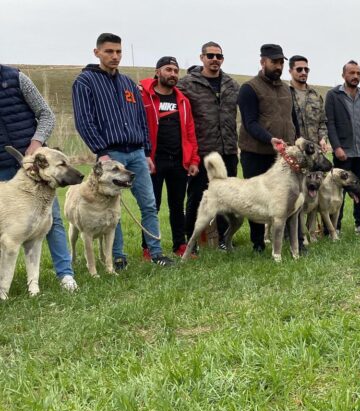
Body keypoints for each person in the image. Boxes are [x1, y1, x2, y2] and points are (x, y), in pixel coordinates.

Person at [72, 32, 174, 270]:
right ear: (97, 52)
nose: (115, 56)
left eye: (118, 51)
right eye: (109, 51)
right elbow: (84, 121)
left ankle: (156, 252)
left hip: (136, 152)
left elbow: (141, 119)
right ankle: (117, 257)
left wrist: (146, 151)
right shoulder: (85, 82)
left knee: (149, 203)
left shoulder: (128, 83)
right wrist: (101, 151)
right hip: (111, 154)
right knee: (112, 207)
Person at [0, 64, 78, 290]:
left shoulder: (17, 78)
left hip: (35, 166)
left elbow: (46, 114)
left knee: (51, 221)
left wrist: (36, 144)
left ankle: (65, 274)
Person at [237, 43, 300, 253]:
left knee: (289, 197)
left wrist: (297, 141)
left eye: (281, 62)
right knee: (256, 200)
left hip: (283, 157)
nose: (278, 66)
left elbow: (292, 119)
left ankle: (294, 242)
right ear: (263, 61)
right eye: (274, 62)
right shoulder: (249, 88)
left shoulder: (286, 89)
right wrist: (269, 139)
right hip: (256, 153)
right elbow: (249, 122)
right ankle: (258, 243)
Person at [177, 41, 240, 250]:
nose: (215, 60)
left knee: (227, 197)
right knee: (197, 197)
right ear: (202, 57)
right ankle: (191, 240)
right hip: (202, 151)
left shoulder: (231, 84)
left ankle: (223, 239)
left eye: (218, 56)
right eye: (210, 56)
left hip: (228, 150)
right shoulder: (187, 84)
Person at [139, 56, 200, 258]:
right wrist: (144, 154)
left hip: (179, 161)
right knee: (152, 205)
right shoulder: (144, 96)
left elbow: (190, 131)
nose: (172, 74)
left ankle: (179, 245)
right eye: (168, 70)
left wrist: (193, 159)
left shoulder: (182, 100)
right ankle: (148, 247)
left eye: (175, 71)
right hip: (153, 160)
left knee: (177, 205)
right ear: (158, 72)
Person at [325, 60, 360, 235]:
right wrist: (336, 147)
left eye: (358, 73)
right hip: (343, 153)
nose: (355, 76)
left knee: (359, 188)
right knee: (339, 190)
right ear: (343, 75)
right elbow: (330, 124)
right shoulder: (333, 95)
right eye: (352, 73)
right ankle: (335, 227)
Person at [289, 55, 329, 152]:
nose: (303, 72)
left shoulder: (315, 96)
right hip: (293, 151)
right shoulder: (285, 94)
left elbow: (322, 122)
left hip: (314, 152)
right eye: (299, 69)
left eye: (306, 70)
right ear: (290, 71)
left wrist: (323, 139)